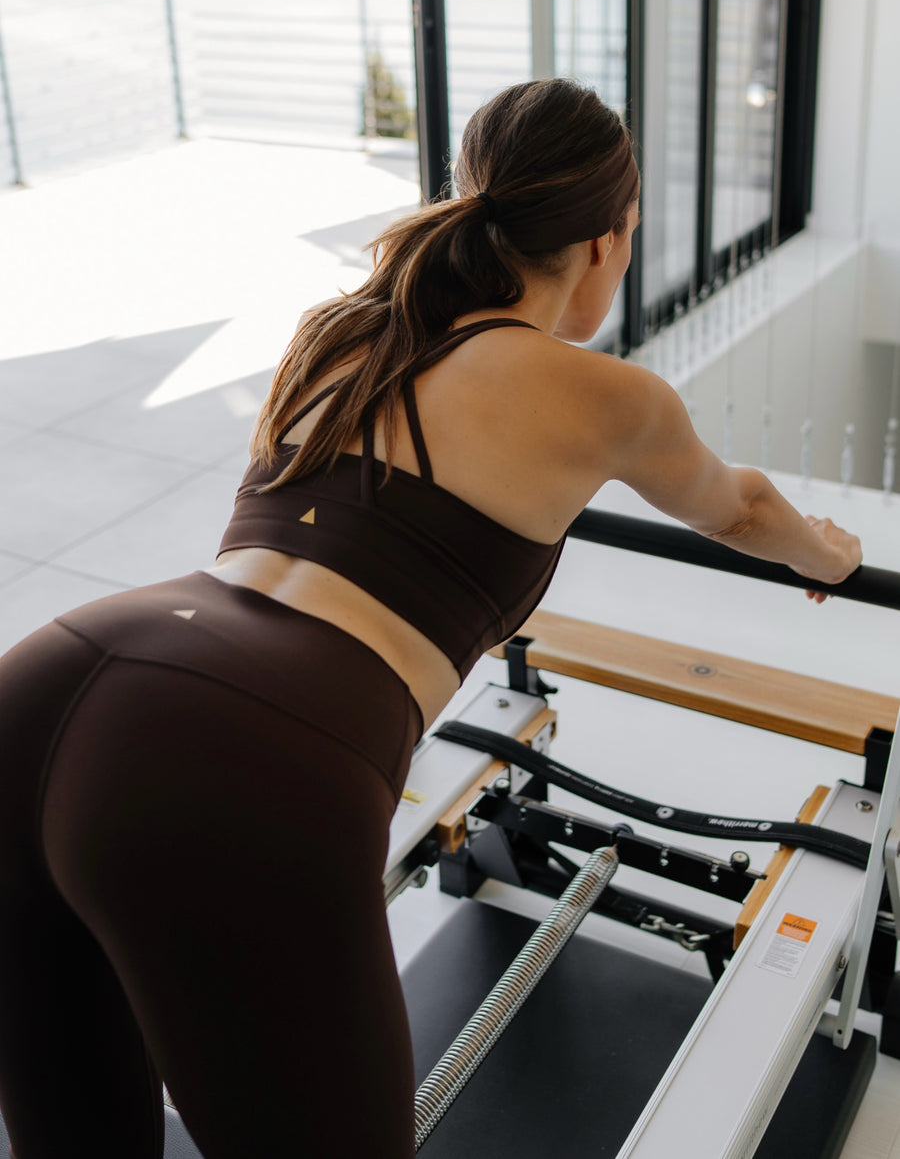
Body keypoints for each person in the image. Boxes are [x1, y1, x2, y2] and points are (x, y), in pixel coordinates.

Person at [0, 78, 860, 1159]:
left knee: (71, 1134)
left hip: (56, 673)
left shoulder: (341, 332)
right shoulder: (607, 398)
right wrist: (831, 553)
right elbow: (742, 510)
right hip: (252, 745)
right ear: (606, 240)